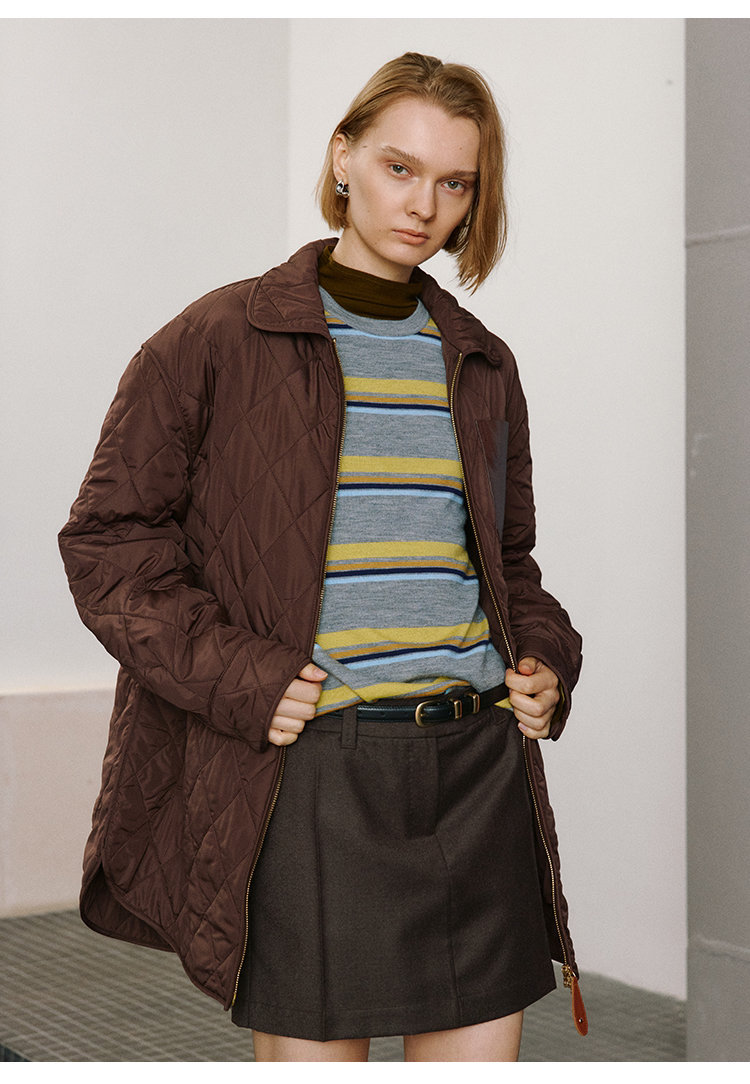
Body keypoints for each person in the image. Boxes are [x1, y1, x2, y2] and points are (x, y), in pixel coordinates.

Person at [59, 52, 586, 1062]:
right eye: (399, 167)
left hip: (480, 772)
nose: (424, 204)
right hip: (313, 775)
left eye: (455, 182)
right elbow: (107, 543)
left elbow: (507, 561)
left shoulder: (481, 359)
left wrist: (547, 657)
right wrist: (243, 676)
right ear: (344, 156)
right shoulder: (218, 337)